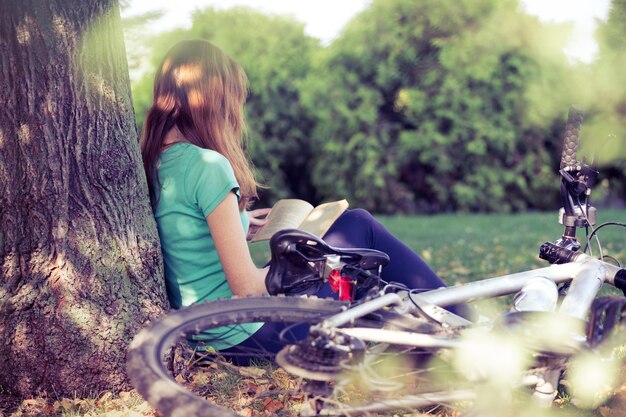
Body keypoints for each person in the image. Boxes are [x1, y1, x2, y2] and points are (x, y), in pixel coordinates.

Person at [140, 39, 460, 358]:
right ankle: (465, 323)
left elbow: (184, 231)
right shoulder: (207, 165)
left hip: (208, 333)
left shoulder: (156, 161)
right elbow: (248, 288)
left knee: (356, 260)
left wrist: (239, 221)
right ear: (215, 100)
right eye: (233, 99)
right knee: (358, 228)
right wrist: (300, 262)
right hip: (247, 335)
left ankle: (445, 329)